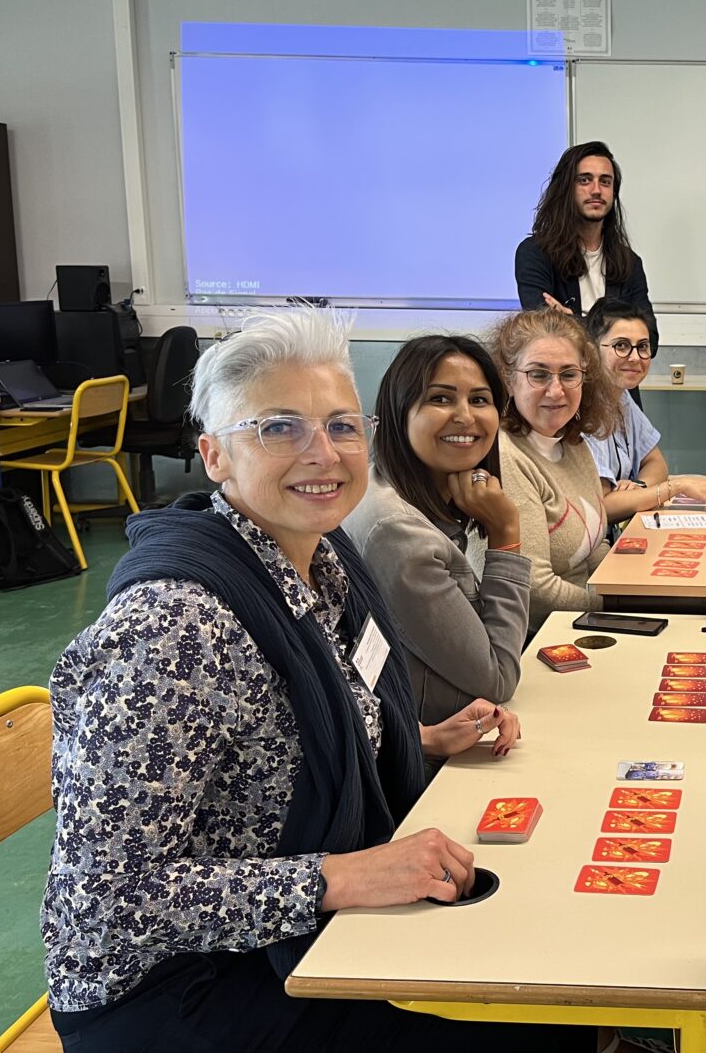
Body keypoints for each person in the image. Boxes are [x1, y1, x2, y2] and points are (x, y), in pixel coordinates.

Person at [40, 309, 551, 1052]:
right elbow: (105, 902)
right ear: (215, 456)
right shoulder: (173, 628)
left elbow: (301, 739)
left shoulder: (324, 564)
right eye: (279, 428)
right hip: (181, 990)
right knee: (516, 1028)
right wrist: (336, 880)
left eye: (342, 425)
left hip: (281, 939)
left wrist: (421, 738)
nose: (324, 453)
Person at [343, 334, 527, 728]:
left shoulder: (396, 487)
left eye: (479, 400)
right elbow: (497, 678)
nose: (465, 416)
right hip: (435, 763)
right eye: (440, 399)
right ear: (398, 412)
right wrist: (506, 535)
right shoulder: (400, 534)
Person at [492, 308, 619, 629]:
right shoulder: (506, 456)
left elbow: (594, 548)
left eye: (568, 374)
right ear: (508, 379)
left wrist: (628, 585)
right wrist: (621, 605)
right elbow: (535, 591)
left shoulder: (573, 443)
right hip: (535, 636)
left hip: (583, 619)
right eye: (538, 374)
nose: (556, 390)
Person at [581, 298, 706, 524]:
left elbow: (655, 462)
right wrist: (674, 487)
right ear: (592, 349)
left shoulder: (622, 397)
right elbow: (602, 507)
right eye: (621, 346)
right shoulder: (584, 406)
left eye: (642, 347)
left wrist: (639, 488)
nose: (635, 358)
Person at [514, 140, 657, 356]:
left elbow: (650, 341)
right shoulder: (535, 254)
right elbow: (545, 334)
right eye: (585, 180)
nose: (596, 190)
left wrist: (570, 320)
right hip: (562, 384)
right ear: (566, 189)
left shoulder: (629, 263)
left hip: (618, 387)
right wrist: (618, 335)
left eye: (605, 182)